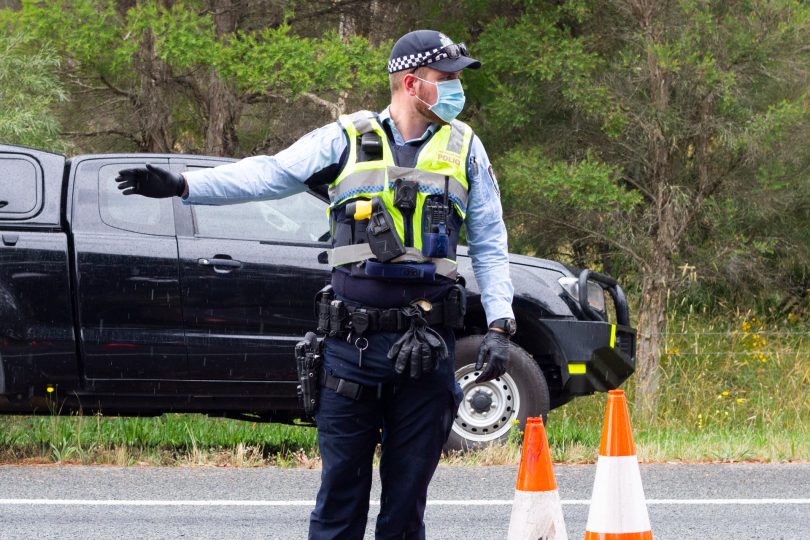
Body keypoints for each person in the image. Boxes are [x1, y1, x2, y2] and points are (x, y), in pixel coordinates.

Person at [116, 29, 516, 540]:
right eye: (449, 78)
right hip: (352, 348)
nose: (459, 89)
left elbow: (490, 240)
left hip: (425, 349)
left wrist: (501, 325)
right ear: (413, 83)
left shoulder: (466, 147)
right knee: (339, 501)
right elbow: (269, 174)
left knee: (406, 507)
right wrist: (184, 184)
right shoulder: (345, 137)